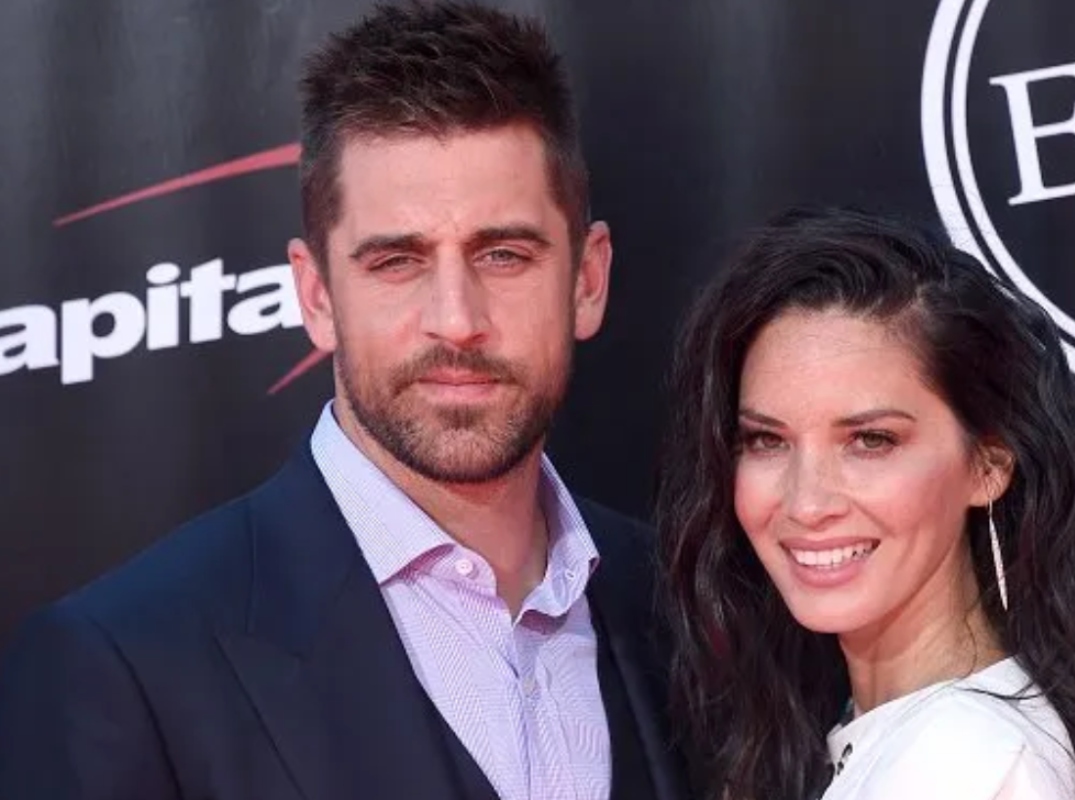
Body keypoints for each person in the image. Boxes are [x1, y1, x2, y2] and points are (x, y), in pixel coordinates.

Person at [0, 4, 686, 800]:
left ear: (588, 280)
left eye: (503, 254)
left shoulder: (688, 609)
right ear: (316, 295)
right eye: (397, 262)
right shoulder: (124, 663)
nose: (456, 320)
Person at [657, 207, 1075, 800]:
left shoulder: (963, 756)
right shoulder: (891, 733)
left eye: (871, 441)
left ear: (988, 465)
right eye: (767, 440)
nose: (807, 503)